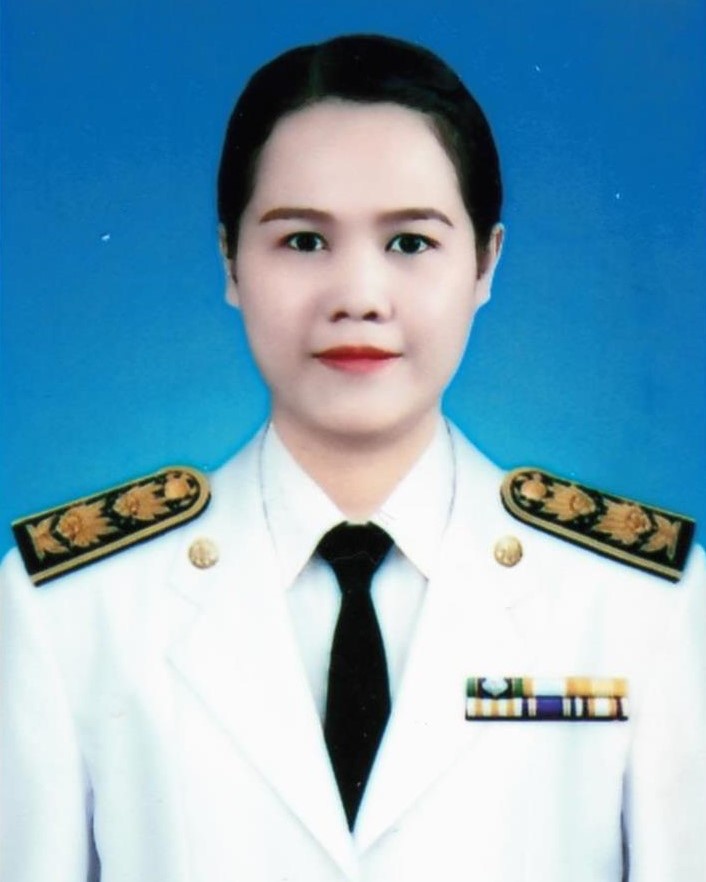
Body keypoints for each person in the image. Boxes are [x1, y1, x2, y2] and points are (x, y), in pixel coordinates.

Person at [1, 33, 704, 882]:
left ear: (486, 263)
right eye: (303, 241)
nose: (359, 299)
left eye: (410, 243)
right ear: (230, 261)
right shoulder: (75, 607)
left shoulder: (638, 603)